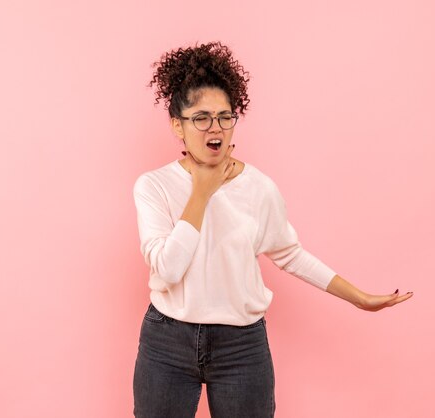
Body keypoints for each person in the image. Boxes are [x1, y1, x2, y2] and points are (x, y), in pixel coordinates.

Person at [132, 41, 413, 418]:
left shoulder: (259, 188)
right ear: (177, 126)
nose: (214, 127)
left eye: (224, 116)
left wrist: (358, 298)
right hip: (168, 340)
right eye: (200, 117)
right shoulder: (154, 186)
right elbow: (167, 269)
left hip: (240, 346)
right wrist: (202, 192)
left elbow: (290, 254)